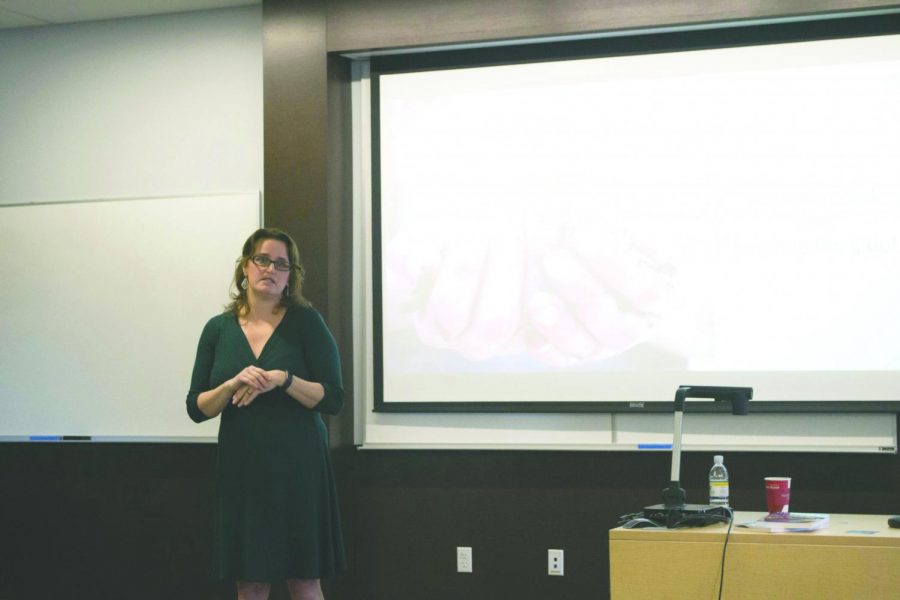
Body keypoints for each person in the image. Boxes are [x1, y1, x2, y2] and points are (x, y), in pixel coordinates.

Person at [186, 227, 345, 600]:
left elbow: (333, 398)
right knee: (250, 581)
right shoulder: (217, 330)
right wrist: (229, 385)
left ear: (291, 276)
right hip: (244, 470)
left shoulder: (307, 323)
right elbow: (196, 407)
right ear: (245, 267)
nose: (270, 269)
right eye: (262, 259)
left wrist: (284, 379)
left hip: (299, 468)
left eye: (281, 264)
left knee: (303, 580)